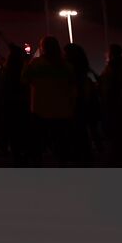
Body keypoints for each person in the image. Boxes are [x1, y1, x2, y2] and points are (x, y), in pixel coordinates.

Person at [22, 35, 77, 165]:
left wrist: (26, 62)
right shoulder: (67, 66)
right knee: (61, 144)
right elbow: (73, 87)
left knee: (38, 145)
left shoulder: (36, 64)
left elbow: (24, 80)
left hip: (40, 110)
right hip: (62, 110)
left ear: (43, 48)